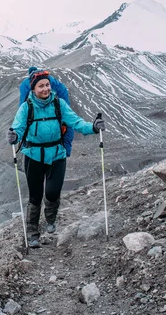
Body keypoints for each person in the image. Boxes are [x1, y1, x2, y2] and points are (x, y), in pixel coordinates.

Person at [6, 69, 105, 248]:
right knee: (35, 196)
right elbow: (18, 128)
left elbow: (76, 122)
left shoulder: (59, 104)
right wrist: (14, 135)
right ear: (33, 89)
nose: (45, 89)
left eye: (47, 85)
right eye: (41, 86)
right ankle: (32, 233)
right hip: (33, 156)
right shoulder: (26, 107)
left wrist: (93, 127)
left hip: (57, 154)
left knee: (52, 192)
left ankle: (50, 219)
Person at [19, 67, 75, 157]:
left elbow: (22, 105)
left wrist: (23, 144)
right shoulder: (55, 83)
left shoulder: (25, 84)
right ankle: (64, 150)